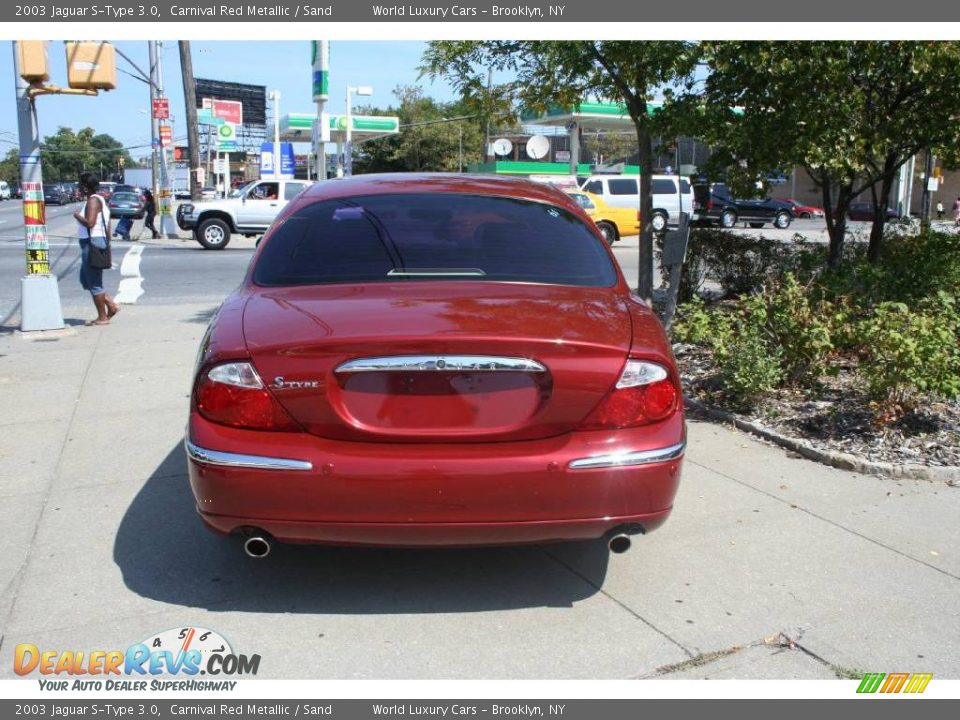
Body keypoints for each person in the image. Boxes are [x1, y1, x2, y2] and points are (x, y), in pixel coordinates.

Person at [73, 172, 119, 326]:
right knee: (85, 280)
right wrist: (107, 244)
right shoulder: (99, 199)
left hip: (92, 242)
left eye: (80, 184)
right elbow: (108, 224)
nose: (79, 187)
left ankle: (103, 317)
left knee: (94, 283)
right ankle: (110, 305)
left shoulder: (93, 201)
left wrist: (77, 216)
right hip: (96, 241)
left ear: (86, 187)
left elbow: (90, 223)